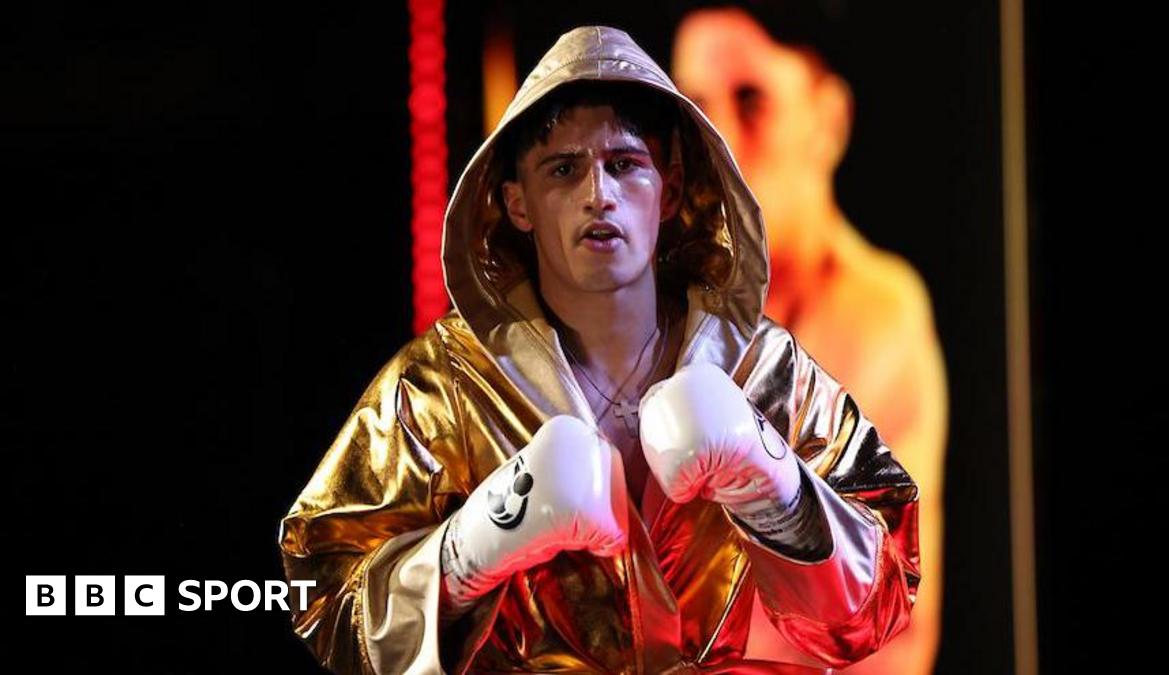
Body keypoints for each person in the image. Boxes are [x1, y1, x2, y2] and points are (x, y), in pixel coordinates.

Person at [278, 26, 920, 674]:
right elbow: (323, 593)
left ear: (668, 187)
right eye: (564, 169)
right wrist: (473, 546)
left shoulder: (758, 368)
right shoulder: (444, 385)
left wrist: (773, 479)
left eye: (623, 164)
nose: (598, 195)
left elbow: (883, 595)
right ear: (516, 202)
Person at [673, 8, 948, 673]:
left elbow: (885, 627)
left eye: (751, 101)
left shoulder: (876, 314)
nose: (721, 142)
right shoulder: (659, 304)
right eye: (695, 107)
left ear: (828, 120)